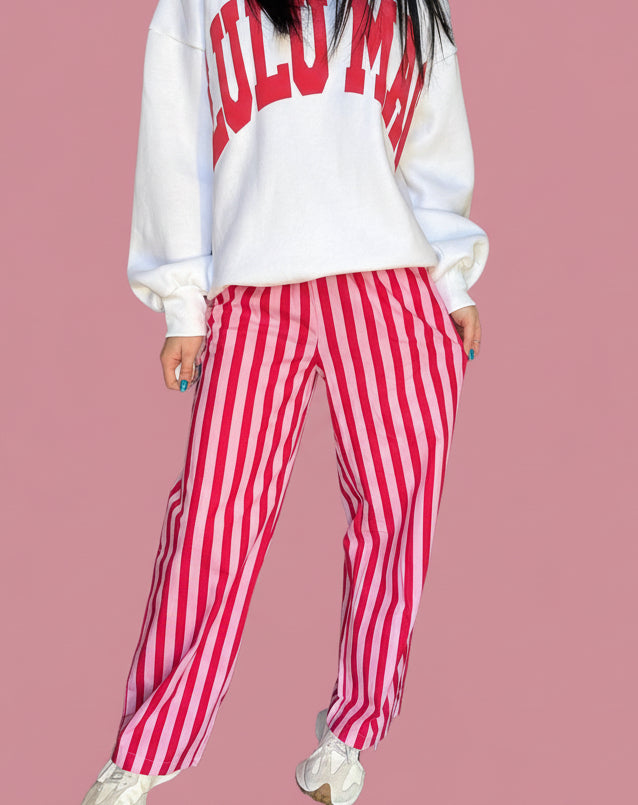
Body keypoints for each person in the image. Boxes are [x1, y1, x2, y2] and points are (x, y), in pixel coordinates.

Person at [80, 0, 489, 802]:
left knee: (399, 510)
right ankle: (147, 749)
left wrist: (452, 279)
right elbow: (174, 142)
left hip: (391, 286)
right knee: (214, 517)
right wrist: (182, 303)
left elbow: (432, 148)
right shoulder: (200, 5)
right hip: (256, 288)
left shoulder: (409, 6)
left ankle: (348, 739)